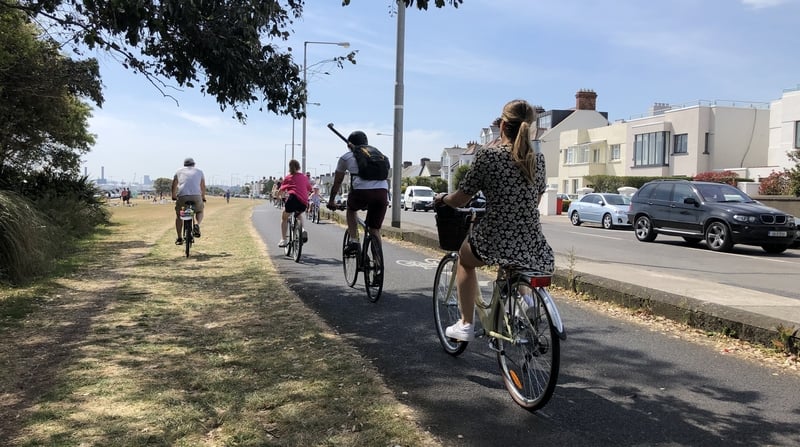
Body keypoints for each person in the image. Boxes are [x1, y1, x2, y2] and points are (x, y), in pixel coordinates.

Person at [433, 99, 555, 342]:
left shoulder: (489, 156)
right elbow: (535, 198)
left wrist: (443, 198)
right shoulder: (537, 160)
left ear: (502, 126)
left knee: (465, 261)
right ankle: (527, 299)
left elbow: (461, 199)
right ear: (528, 127)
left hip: (496, 234)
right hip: (530, 237)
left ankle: (466, 324)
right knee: (514, 261)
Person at [327, 130, 389, 255]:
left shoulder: (346, 157)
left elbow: (337, 183)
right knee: (375, 229)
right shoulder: (379, 154)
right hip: (382, 193)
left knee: (351, 210)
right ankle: (377, 264)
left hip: (361, 193)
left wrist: (331, 201)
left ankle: (354, 240)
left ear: (350, 145)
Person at [171, 157, 207, 245]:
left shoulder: (179, 171)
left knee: (179, 215)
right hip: (196, 196)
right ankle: (197, 224)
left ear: (184, 165)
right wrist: (203, 197)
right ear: (193, 164)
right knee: (200, 210)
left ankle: (179, 238)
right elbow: (202, 186)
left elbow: (174, 185)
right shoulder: (199, 171)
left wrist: (173, 196)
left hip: (182, 196)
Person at [278, 160, 312, 247]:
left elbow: (281, 191)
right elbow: (309, 188)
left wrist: (279, 197)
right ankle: (303, 229)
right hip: (303, 202)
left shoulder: (288, 177)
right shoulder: (304, 177)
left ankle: (283, 240)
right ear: (299, 167)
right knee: (298, 214)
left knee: (284, 217)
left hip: (293, 199)